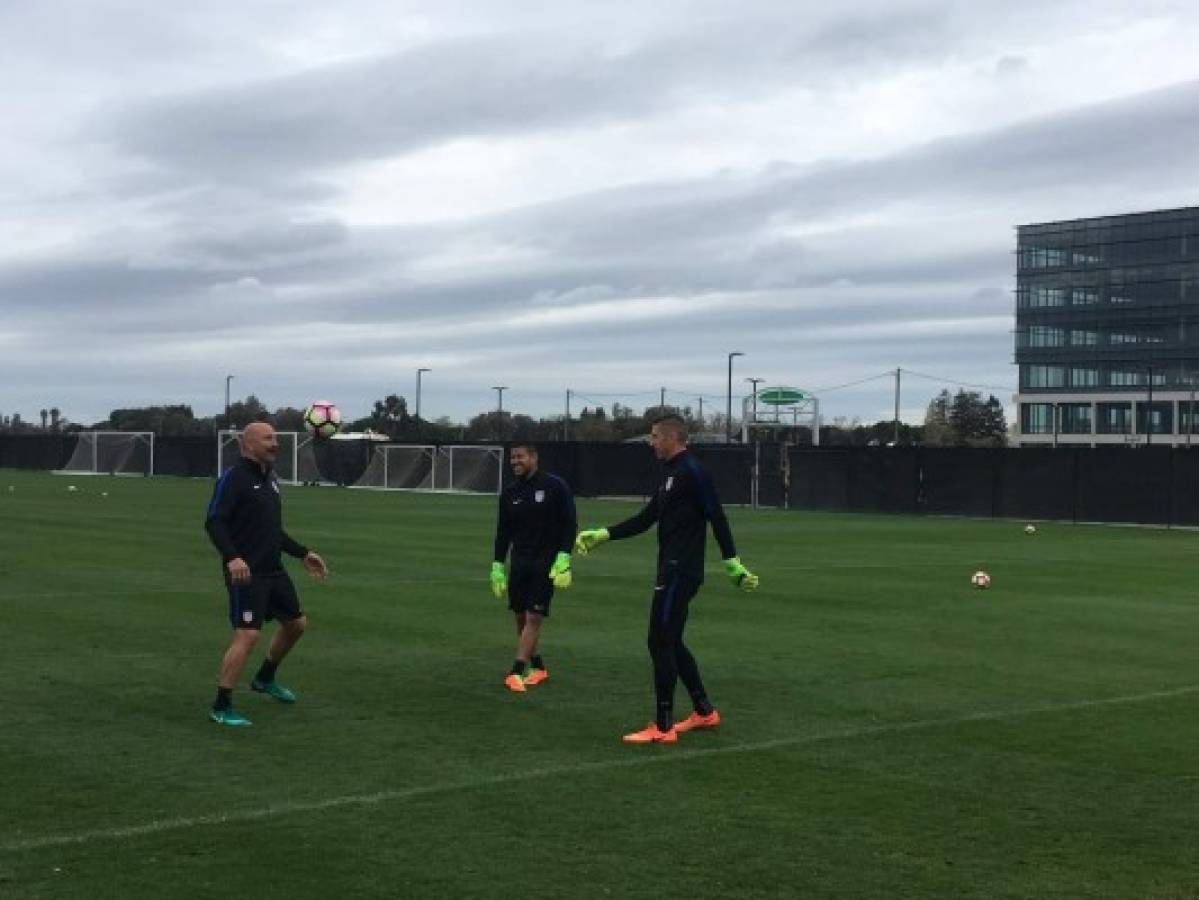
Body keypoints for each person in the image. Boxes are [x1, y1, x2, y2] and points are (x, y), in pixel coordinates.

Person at [574, 414, 759, 744]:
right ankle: (704, 711)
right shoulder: (671, 474)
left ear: (674, 437)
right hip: (671, 569)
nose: (651, 442)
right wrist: (604, 534)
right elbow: (647, 518)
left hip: (680, 571)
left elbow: (716, 514)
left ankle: (662, 727)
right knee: (670, 641)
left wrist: (732, 562)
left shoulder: (693, 471)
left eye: (655, 436)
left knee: (658, 640)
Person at [204, 422, 328, 726]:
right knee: (248, 634)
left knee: (296, 624)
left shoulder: (271, 479)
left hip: (273, 569)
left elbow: (273, 530)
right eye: (267, 439)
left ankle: (264, 678)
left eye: (275, 438)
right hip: (246, 573)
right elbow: (214, 521)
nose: (275, 443)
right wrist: (232, 558)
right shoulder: (233, 478)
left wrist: (303, 553)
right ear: (248, 445)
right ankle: (221, 706)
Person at [491, 442, 577, 692]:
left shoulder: (555, 486)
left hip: (546, 563)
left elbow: (570, 523)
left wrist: (564, 557)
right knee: (520, 615)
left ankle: (516, 671)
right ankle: (538, 667)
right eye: (512, 458)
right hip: (520, 561)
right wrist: (497, 564)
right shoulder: (509, 493)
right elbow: (503, 532)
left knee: (534, 616)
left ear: (534, 457)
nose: (515, 461)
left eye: (520, 457)